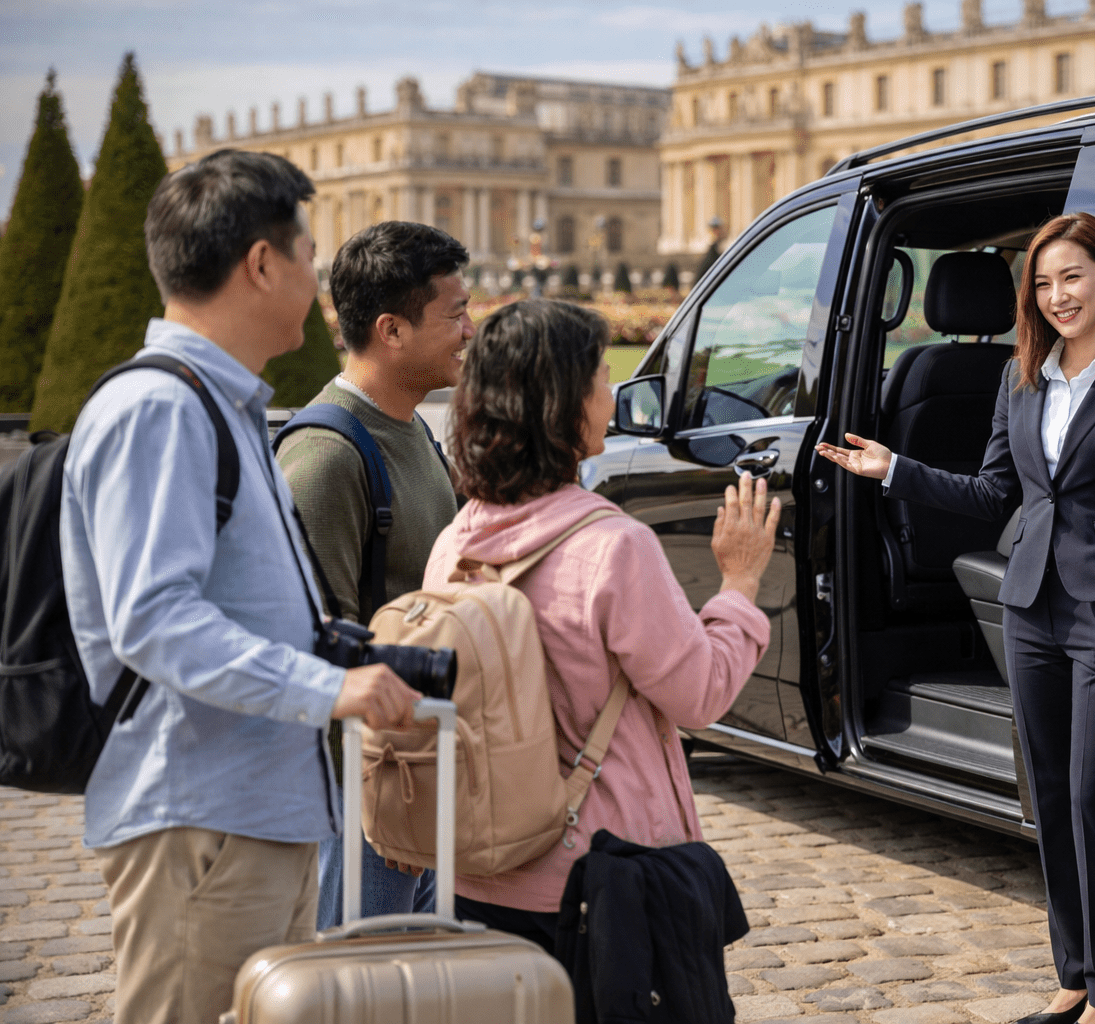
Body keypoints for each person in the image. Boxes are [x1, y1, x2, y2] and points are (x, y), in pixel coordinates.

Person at [60, 149, 420, 1024]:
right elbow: (154, 620)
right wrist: (327, 688)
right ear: (262, 263)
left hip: (254, 813)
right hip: (203, 818)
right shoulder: (161, 410)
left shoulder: (217, 406)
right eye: (308, 256)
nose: (317, 280)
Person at [816, 212, 1095, 1024]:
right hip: (1029, 608)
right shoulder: (1021, 376)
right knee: (1050, 798)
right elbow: (995, 493)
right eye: (1044, 283)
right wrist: (895, 469)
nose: (1058, 296)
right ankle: (1074, 977)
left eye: (1073, 277)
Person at [420, 298, 779, 952]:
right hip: (599, 875)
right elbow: (700, 694)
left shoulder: (454, 544)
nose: (611, 396)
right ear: (562, 405)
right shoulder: (613, 547)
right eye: (600, 380)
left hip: (479, 871)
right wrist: (740, 583)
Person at [276, 220, 472, 929]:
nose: (470, 331)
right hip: (360, 795)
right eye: (455, 314)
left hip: (413, 773)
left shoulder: (411, 427)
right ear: (392, 330)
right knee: (358, 973)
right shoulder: (326, 457)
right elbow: (312, 646)